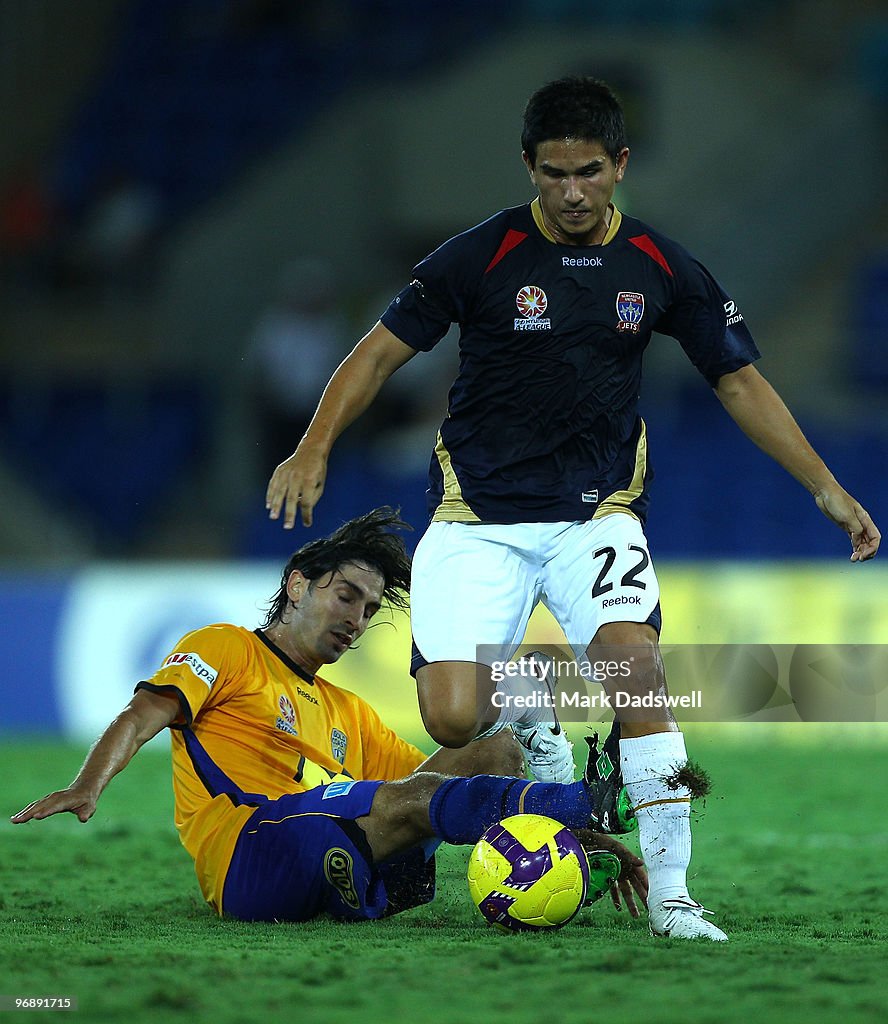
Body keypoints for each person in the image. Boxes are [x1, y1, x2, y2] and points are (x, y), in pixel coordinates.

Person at [263, 78, 881, 941]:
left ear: (620, 166)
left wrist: (825, 485)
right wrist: (315, 443)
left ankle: (672, 901)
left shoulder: (662, 266)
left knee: (639, 680)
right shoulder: (476, 257)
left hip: (597, 516)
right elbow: (375, 355)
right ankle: (531, 702)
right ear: (529, 167)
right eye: (553, 174)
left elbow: (737, 379)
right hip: (478, 517)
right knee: (450, 716)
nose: (572, 192)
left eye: (589, 172)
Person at [10, 508, 646, 925]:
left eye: (369, 610)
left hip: (339, 839)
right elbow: (145, 711)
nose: (356, 620)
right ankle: (586, 801)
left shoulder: (347, 710)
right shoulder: (227, 647)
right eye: (346, 596)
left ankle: (568, 832)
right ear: (296, 585)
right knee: (398, 804)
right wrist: (86, 785)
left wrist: (580, 846)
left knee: (493, 753)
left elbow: (440, 788)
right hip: (248, 852)